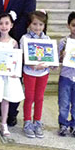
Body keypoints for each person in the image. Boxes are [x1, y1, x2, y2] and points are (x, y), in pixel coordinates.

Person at [20, 10, 51, 139]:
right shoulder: (24, 38)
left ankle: (37, 121)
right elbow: (22, 56)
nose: (37, 27)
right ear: (29, 24)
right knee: (29, 98)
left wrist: (51, 63)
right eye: (35, 24)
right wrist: (29, 63)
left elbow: (50, 56)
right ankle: (27, 122)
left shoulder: (47, 39)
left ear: (44, 26)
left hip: (43, 73)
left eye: (40, 24)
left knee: (39, 98)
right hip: (30, 72)